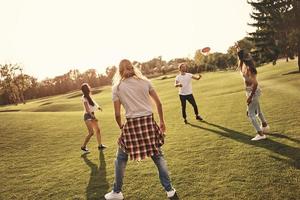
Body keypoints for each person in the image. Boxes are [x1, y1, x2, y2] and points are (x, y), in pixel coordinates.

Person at [104, 59, 176, 200]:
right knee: (158, 156)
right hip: (148, 122)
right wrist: (161, 121)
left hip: (131, 125)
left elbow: (117, 114)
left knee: (120, 159)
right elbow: (159, 104)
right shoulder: (145, 82)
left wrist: (121, 126)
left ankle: (117, 192)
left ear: (119, 72)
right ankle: (170, 191)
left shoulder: (117, 88)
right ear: (132, 68)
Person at [237, 47, 270, 141]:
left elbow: (255, 84)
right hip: (250, 91)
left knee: (250, 114)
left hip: (253, 92)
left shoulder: (250, 69)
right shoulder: (243, 64)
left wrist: (250, 97)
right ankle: (265, 126)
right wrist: (238, 48)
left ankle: (260, 134)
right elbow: (240, 56)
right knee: (258, 111)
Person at [81, 83, 106, 153]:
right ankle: (83, 147)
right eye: (88, 87)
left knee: (98, 130)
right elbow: (87, 109)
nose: (89, 88)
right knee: (91, 132)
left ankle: (100, 145)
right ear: (86, 89)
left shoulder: (89, 96)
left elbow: (93, 103)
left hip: (92, 114)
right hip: (87, 116)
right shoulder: (83, 97)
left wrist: (98, 107)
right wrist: (92, 117)